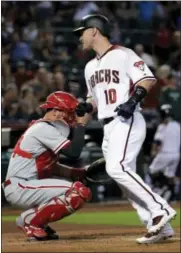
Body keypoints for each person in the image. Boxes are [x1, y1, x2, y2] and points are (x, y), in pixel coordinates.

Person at [73, 14, 176, 244]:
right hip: (107, 125)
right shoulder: (90, 67)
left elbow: (147, 79)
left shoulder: (123, 54)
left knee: (117, 168)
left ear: (94, 31)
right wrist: (86, 106)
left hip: (126, 120)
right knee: (119, 175)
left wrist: (133, 100)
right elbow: (94, 99)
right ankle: (158, 225)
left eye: (82, 31)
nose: (80, 36)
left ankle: (160, 209)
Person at [2, 91, 92, 241]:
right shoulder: (43, 128)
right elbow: (74, 153)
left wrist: (76, 173)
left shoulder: (48, 128)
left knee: (78, 190)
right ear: (55, 111)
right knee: (78, 192)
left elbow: (49, 166)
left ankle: (38, 222)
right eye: (68, 112)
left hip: (27, 184)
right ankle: (30, 221)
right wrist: (81, 124)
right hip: (21, 185)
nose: (72, 116)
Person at [149, 104, 180, 202]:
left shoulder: (162, 126)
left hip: (164, 154)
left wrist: (153, 152)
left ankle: (159, 190)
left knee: (151, 171)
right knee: (170, 175)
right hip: (176, 154)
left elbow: (157, 142)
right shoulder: (178, 125)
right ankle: (172, 196)